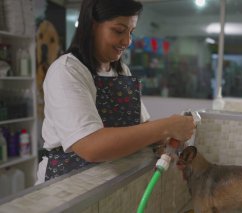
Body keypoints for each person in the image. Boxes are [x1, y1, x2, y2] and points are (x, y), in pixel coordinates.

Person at [36, 0, 195, 184]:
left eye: (131, 32)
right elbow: (91, 146)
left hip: (109, 183)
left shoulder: (121, 71)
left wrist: (165, 139)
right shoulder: (67, 70)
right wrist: (166, 126)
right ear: (93, 25)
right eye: (119, 31)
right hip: (67, 188)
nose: (127, 41)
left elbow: (140, 127)